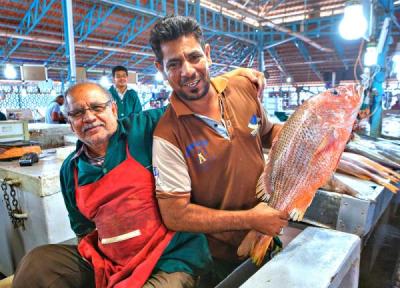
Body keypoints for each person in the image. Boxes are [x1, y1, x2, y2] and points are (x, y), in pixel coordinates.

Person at [12, 82, 211, 288]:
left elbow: (193, 103)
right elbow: (83, 228)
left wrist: (234, 78)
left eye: (97, 108)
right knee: (37, 264)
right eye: (78, 113)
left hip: (169, 258)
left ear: (114, 109)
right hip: (109, 262)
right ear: (71, 123)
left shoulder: (144, 129)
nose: (89, 117)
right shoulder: (70, 169)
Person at [150, 15, 289, 286]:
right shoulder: (168, 135)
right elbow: (175, 214)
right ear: (160, 68)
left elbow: (267, 133)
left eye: (194, 57)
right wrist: (250, 219)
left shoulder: (242, 88)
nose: (188, 71)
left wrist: (314, 131)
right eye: (174, 64)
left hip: (269, 231)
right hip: (217, 257)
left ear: (208, 54)